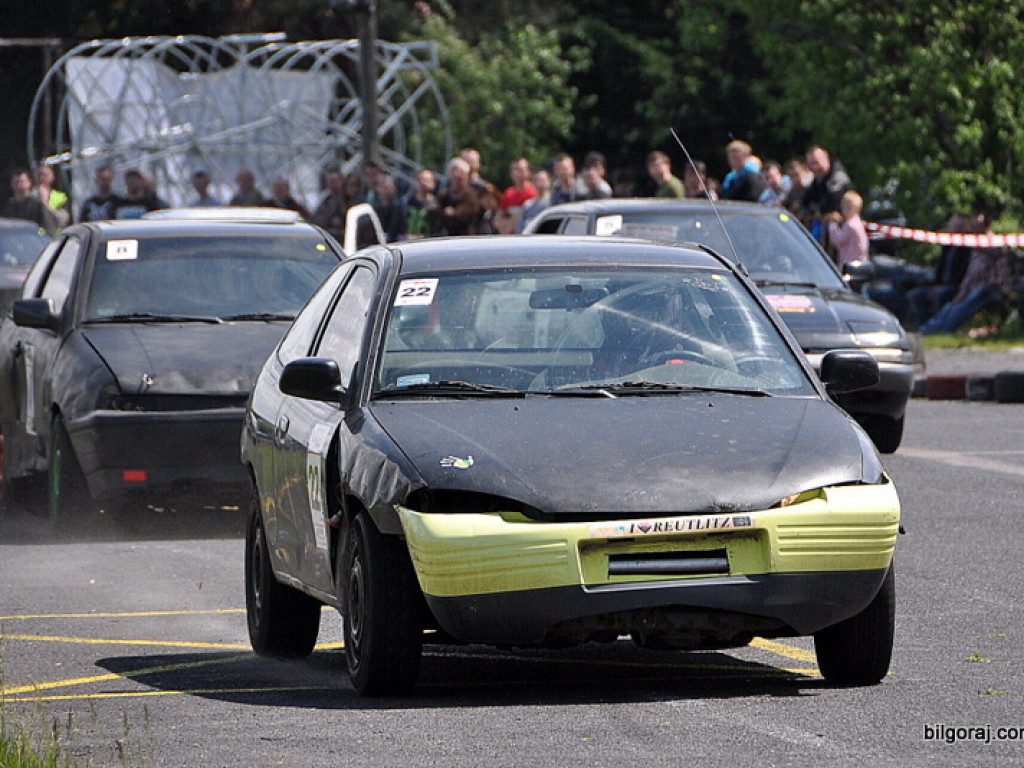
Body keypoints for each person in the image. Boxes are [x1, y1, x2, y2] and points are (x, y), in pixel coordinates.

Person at [920, 212, 1015, 334]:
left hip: (992, 288)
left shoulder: (995, 242)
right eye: (973, 225)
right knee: (952, 305)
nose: (974, 228)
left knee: (963, 306)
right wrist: (963, 290)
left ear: (986, 226)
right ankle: (929, 328)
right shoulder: (974, 244)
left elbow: (996, 255)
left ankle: (944, 330)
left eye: (977, 225)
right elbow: (970, 274)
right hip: (973, 287)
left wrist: (981, 246)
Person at [907, 213, 972, 327]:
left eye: (958, 225)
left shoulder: (968, 246)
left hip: (957, 286)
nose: (954, 227)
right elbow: (940, 269)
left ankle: (939, 326)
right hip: (941, 285)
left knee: (941, 294)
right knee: (915, 295)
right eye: (953, 224)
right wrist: (934, 285)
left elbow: (964, 272)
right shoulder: (947, 245)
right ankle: (924, 325)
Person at [800, 145, 853, 241]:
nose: (814, 167)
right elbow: (806, 202)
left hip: (844, 230)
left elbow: (831, 205)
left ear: (826, 159)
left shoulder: (837, 177)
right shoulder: (817, 180)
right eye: (811, 164)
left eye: (817, 163)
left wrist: (819, 213)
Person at [429, 156, 482, 236]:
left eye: (461, 173)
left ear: (467, 176)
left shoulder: (471, 196)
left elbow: (467, 214)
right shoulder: (444, 195)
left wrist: (454, 212)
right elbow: (436, 214)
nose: (457, 176)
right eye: (455, 172)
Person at [2, 169, 59, 233]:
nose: (19, 186)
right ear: (12, 184)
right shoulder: (9, 207)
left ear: (29, 183)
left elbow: (48, 227)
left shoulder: (37, 205)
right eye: (16, 182)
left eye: (22, 182)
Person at [825, 190, 870, 268]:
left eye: (849, 208)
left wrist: (832, 224)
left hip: (850, 264)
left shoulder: (850, 225)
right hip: (860, 262)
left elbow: (837, 240)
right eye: (845, 207)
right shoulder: (858, 223)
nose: (845, 211)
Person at [311, 167, 348, 239]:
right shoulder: (326, 200)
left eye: (334, 181)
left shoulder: (345, 199)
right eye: (329, 182)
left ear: (341, 181)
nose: (332, 184)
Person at [372, 173, 408, 242]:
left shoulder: (400, 209)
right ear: (377, 189)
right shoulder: (374, 210)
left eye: (390, 187)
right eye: (384, 187)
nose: (387, 191)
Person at [405, 167, 439, 238]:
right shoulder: (405, 203)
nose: (423, 183)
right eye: (420, 180)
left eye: (427, 181)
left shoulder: (437, 205)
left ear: (433, 184)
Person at [515, 168, 552, 233]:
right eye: (537, 180)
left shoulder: (553, 202)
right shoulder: (528, 205)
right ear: (533, 183)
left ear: (549, 182)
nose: (541, 183)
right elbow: (520, 227)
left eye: (543, 180)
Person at [34, 163, 69, 227]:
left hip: (54, 235)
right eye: (39, 175)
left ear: (52, 176)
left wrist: (46, 203)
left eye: (45, 175)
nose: (42, 178)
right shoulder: (30, 197)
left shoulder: (61, 197)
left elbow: (62, 221)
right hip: (35, 235)